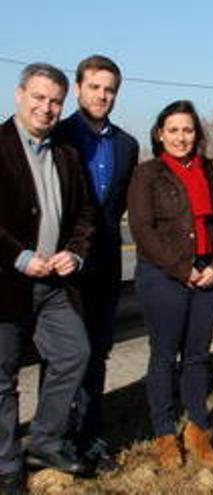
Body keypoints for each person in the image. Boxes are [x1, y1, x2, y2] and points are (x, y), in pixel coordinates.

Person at [0, 63, 95, 493]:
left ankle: (44, 441)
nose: (46, 107)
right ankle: (6, 467)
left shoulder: (65, 153)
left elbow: (84, 216)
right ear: (19, 95)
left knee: (75, 353)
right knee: (3, 380)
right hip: (7, 284)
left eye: (55, 100)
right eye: (38, 97)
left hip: (54, 286)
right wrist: (19, 256)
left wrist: (74, 253)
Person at [127, 100, 213, 471]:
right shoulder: (148, 174)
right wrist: (182, 269)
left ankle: (198, 428)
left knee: (198, 357)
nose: (181, 137)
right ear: (159, 134)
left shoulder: (210, 171)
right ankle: (164, 433)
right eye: (173, 130)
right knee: (163, 356)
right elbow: (142, 230)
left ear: (197, 134)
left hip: (207, 276)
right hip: (164, 277)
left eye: (187, 130)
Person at [54, 54, 139, 473]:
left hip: (104, 265)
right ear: (78, 88)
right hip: (61, 266)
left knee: (98, 354)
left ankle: (91, 438)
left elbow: (116, 205)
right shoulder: (59, 135)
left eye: (110, 90)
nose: (102, 95)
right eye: (95, 87)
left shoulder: (126, 145)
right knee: (68, 356)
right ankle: (58, 440)